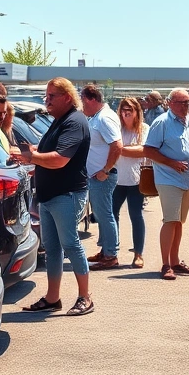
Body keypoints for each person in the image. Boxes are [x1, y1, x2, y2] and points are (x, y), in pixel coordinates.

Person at [19, 77, 94, 316]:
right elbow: (47, 153)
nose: (46, 100)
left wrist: (31, 157)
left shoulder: (74, 122)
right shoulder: (59, 121)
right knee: (52, 249)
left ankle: (85, 297)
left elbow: (60, 158)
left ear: (67, 98)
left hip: (66, 195)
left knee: (71, 245)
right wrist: (29, 153)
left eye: (52, 96)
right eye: (47, 95)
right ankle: (53, 298)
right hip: (50, 196)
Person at [143, 88, 189, 280]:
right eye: (181, 102)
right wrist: (171, 163)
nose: (185, 106)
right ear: (170, 103)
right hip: (168, 178)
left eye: (187, 103)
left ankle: (175, 260)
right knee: (170, 220)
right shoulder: (162, 122)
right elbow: (148, 150)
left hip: (187, 178)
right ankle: (166, 264)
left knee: (179, 221)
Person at [81, 84, 123, 270]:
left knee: (105, 215)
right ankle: (105, 250)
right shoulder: (98, 117)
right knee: (101, 214)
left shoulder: (105, 118)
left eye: (83, 101)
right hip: (96, 175)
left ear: (91, 99)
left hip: (103, 177)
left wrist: (105, 170)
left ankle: (111, 255)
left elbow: (117, 145)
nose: (82, 105)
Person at [113, 97, 150, 268]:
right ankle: (111, 252)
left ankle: (138, 254)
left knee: (136, 215)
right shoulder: (116, 129)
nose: (126, 113)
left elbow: (143, 151)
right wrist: (128, 150)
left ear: (137, 112)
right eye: (123, 110)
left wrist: (120, 150)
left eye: (130, 110)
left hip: (136, 180)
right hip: (115, 179)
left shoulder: (144, 129)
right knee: (111, 216)